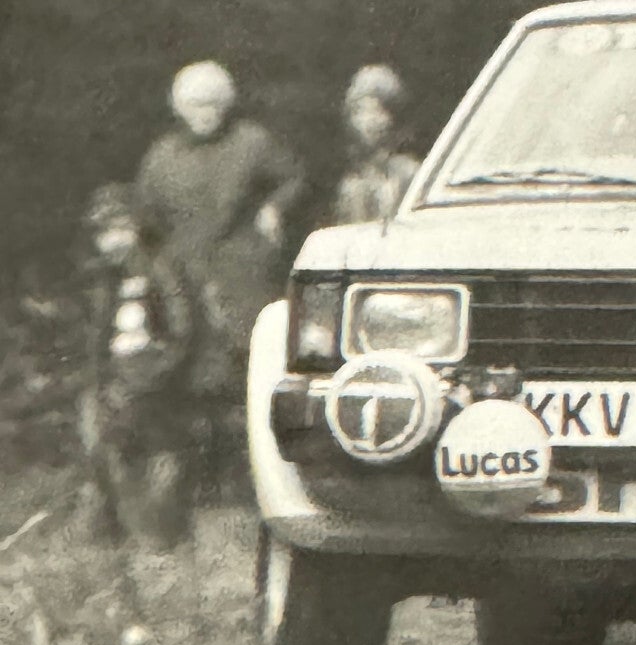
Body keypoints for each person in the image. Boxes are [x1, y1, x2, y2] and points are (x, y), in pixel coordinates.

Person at [136, 61, 305, 488]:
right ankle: (206, 476)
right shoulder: (162, 157)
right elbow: (145, 220)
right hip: (185, 276)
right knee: (193, 372)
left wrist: (273, 209)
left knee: (248, 366)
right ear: (180, 108)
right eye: (196, 105)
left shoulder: (252, 142)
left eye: (214, 104)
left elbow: (295, 178)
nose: (205, 113)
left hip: (241, 269)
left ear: (227, 105)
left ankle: (258, 473)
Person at [77, 184, 196, 548]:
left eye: (119, 229)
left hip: (153, 377)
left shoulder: (160, 269)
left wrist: (159, 369)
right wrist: (99, 377)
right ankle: (104, 527)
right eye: (103, 233)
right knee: (99, 442)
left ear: (137, 227)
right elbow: (98, 337)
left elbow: (183, 327)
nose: (112, 241)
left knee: (158, 450)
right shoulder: (104, 278)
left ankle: (158, 531)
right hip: (114, 376)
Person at [331, 64, 420, 225]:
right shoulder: (352, 181)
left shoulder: (408, 172)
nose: (369, 121)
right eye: (360, 111)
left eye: (377, 111)